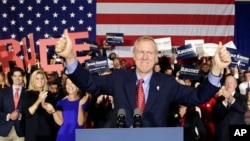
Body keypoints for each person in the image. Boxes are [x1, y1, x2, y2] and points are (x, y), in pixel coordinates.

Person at [55, 29, 231, 127]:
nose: (145, 57)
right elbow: (89, 83)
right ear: (134, 55)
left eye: (150, 53)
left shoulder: (167, 83)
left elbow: (198, 96)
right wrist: (70, 57)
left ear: (156, 57)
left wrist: (216, 68)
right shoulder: (119, 77)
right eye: (141, 52)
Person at [23, 69, 56, 141]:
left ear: (45, 80)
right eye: (37, 78)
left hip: (47, 132)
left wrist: (47, 108)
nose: (40, 80)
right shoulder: (27, 94)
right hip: (33, 133)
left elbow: (51, 113)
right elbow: (28, 113)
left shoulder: (49, 95)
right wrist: (39, 100)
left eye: (42, 78)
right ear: (33, 80)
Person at [212, 74, 247, 141]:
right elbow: (215, 114)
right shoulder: (219, 99)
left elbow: (242, 109)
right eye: (227, 82)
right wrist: (224, 102)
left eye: (231, 82)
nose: (229, 84)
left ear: (235, 85)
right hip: (222, 132)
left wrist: (231, 98)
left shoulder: (242, 97)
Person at [0, 67, 26, 141]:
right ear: (11, 77)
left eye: (20, 76)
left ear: (23, 77)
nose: (17, 78)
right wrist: (9, 116)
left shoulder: (27, 93)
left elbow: (29, 112)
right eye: (15, 76)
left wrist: (20, 115)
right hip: (3, 131)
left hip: (20, 131)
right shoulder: (3, 92)